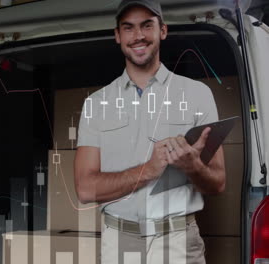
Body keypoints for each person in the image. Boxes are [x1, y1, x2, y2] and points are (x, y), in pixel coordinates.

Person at [74, 0, 226, 263]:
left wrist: (192, 167)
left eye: (147, 25)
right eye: (129, 28)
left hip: (178, 241)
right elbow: (85, 189)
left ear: (162, 30)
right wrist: (149, 170)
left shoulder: (197, 95)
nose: (138, 36)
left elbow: (218, 182)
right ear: (118, 36)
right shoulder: (96, 104)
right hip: (119, 241)